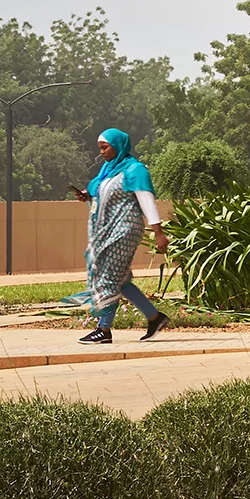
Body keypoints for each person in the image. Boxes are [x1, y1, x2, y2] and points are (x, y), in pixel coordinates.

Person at [81, 128, 170, 344]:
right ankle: (155, 317)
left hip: (125, 230)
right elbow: (99, 192)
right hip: (108, 231)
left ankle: (104, 329)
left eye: (105, 147)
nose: (102, 152)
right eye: (100, 148)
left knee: (109, 277)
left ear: (118, 146)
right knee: (119, 279)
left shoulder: (135, 170)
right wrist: (87, 195)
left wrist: (158, 232)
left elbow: (147, 200)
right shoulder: (108, 171)